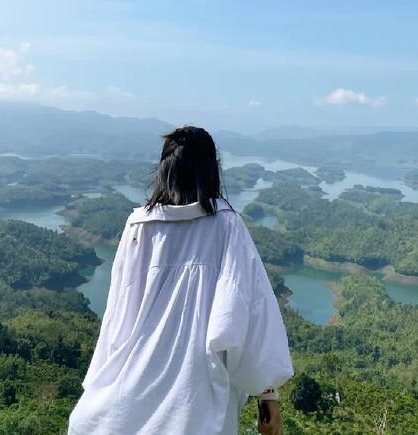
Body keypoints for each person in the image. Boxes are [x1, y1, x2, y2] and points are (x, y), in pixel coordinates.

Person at [68, 125, 293, 435]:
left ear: (165, 169)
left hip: (131, 390)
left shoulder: (139, 227)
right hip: (197, 398)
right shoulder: (227, 227)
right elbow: (250, 316)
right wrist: (268, 395)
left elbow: (118, 318)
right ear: (211, 170)